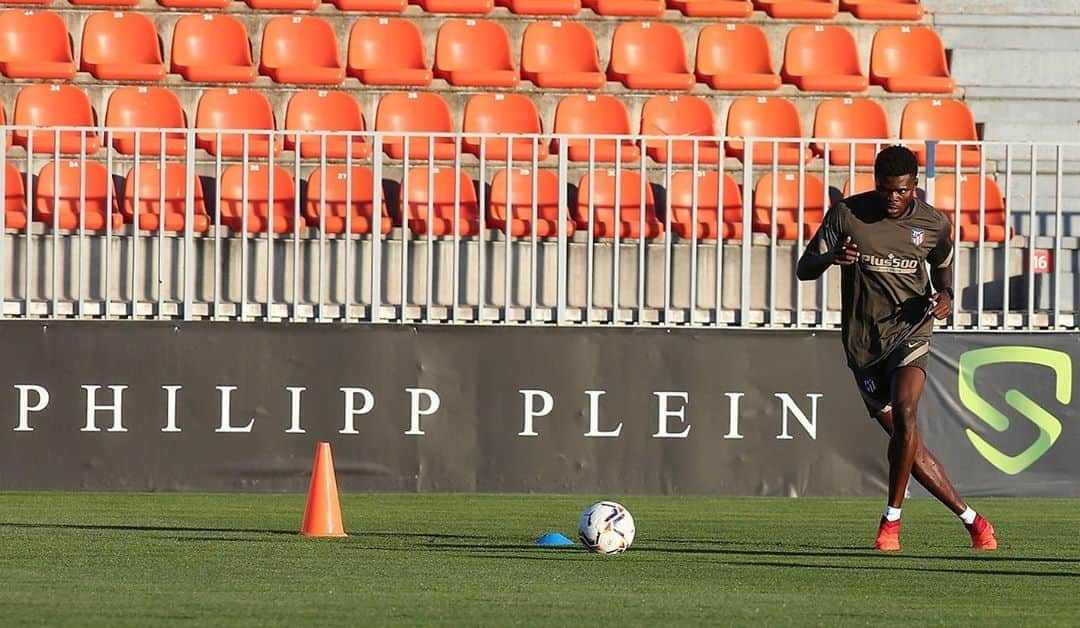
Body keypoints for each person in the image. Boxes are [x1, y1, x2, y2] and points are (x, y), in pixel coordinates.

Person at [796, 145, 998, 552]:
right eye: (886, 189)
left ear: (914, 187)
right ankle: (973, 521)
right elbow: (805, 269)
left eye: (902, 191)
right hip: (864, 344)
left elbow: (943, 269)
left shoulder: (934, 224)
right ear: (876, 183)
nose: (893, 198)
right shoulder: (848, 214)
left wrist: (944, 296)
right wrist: (833, 258)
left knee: (907, 413)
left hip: (911, 332)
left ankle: (891, 521)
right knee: (910, 443)